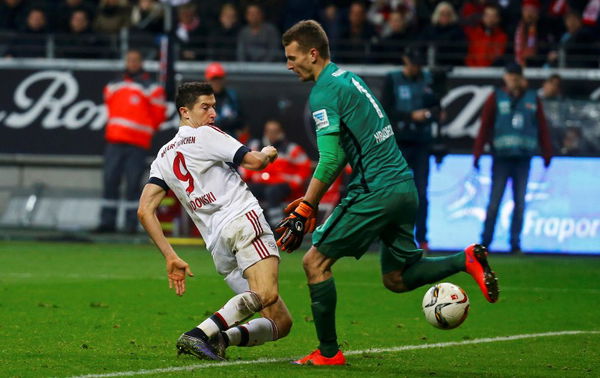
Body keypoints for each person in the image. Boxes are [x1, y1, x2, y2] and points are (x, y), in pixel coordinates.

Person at [279, 20, 499, 366]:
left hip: (375, 190)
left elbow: (333, 157)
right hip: (403, 186)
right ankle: (465, 259)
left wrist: (308, 205)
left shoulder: (323, 92)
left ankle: (328, 353)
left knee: (314, 262)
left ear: (312, 53)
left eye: (292, 57)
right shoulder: (350, 79)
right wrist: (311, 202)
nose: (288, 65)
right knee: (396, 278)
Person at [137, 81, 292, 361]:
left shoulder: (163, 155)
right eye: (205, 107)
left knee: (281, 321)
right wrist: (269, 151)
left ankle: (220, 339)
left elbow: (144, 211)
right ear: (185, 112)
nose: (212, 114)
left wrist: (170, 256)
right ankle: (198, 335)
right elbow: (255, 162)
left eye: (214, 107)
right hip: (244, 221)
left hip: (217, 242)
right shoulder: (206, 135)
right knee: (266, 293)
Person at [473, 62, 553, 254]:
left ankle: (515, 243)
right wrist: (477, 153)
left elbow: (542, 126)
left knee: (520, 203)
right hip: (501, 158)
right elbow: (485, 125)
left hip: (523, 158)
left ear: (521, 78)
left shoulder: (533, 99)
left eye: (516, 76)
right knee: (494, 202)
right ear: (505, 78)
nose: (513, 80)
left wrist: (547, 152)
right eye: (510, 76)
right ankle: (485, 243)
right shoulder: (496, 97)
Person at [96, 50, 167, 234]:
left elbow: (159, 114)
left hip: (137, 143)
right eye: (130, 60)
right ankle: (107, 223)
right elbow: (109, 107)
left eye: (136, 60)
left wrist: (145, 129)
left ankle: (131, 225)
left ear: (141, 62)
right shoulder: (114, 84)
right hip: (115, 140)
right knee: (110, 181)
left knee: (133, 184)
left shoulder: (151, 86)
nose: (132, 63)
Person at [380, 47, 439, 252]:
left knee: (421, 193)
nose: (415, 68)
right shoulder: (393, 79)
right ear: (405, 61)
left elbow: (438, 108)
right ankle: (391, 235)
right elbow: (384, 110)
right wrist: (410, 116)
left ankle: (422, 238)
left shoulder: (428, 80)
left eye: (418, 64)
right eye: (412, 63)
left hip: (422, 143)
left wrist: (430, 114)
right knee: (395, 192)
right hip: (399, 144)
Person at [242, 119, 312, 227]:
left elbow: (305, 167)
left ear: (281, 132)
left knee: (272, 192)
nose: (272, 134)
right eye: (269, 131)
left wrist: (294, 183)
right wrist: (253, 176)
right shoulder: (256, 146)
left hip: (284, 186)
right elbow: (246, 165)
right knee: (246, 189)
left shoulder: (290, 148)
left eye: (275, 131)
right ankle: (249, 223)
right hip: (263, 184)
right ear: (265, 132)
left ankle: (278, 227)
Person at [203, 62, 248, 142]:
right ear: (207, 80)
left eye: (219, 79)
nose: (217, 82)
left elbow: (242, 121)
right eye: (214, 79)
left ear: (224, 79)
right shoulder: (202, 100)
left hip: (232, 141)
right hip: (210, 141)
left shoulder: (232, 97)